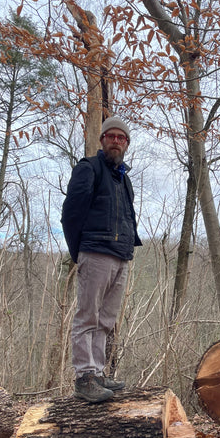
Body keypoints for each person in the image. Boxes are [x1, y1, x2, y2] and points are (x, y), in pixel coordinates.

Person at [61, 117, 142, 403]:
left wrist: (129, 250)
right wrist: (79, 252)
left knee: (106, 320)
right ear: (102, 140)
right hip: (95, 253)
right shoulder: (88, 168)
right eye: (111, 136)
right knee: (88, 316)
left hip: (120, 257)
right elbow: (71, 213)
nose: (116, 141)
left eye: (122, 138)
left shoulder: (124, 179)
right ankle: (84, 377)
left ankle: (97, 372)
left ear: (127, 144)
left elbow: (127, 218)